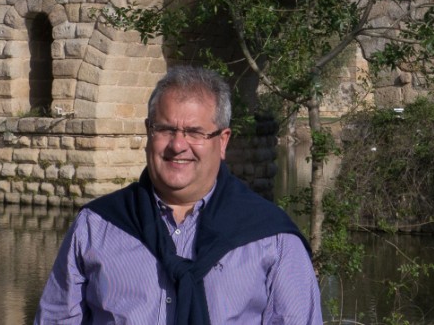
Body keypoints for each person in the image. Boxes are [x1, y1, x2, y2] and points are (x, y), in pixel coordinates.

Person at [35, 66, 322, 325]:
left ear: (223, 142)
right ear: (148, 132)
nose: (178, 145)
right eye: (165, 129)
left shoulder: (273, 238)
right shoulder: (96, 226)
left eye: (195, 132)